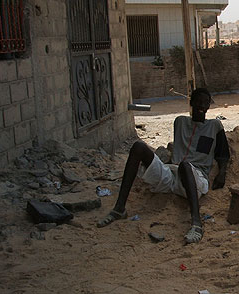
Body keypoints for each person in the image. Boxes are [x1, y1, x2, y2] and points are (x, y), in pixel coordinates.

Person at [96, 88, 230, 244]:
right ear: (191, 103)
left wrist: (222, 173)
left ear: (209, 106)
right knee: (138, 147)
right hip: (172, 175)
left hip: (196, 179)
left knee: (185, 166)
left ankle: (196, 223)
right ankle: (119, 208)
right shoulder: (180, 122)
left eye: (205, 103)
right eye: (198, 101)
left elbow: (223, 154)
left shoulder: (214, 126)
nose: (202, 105)